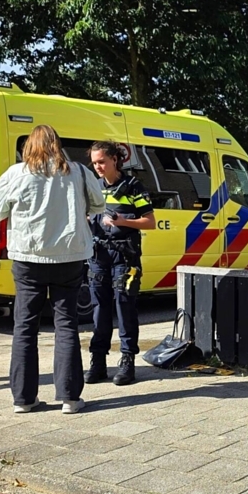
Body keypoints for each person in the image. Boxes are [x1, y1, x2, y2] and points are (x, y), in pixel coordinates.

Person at [0, 125, 105, 414]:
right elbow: (99, 203)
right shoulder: (77, 171)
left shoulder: (16, 173)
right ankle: (70, 398)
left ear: (29, 146)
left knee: (25, 327)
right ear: (58, 145)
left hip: (28, 258)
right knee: (67, 325)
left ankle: (24, 399)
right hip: (69, 256)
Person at [84, 141, 156, 386]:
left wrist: (124, 221)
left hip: (124, 254)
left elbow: (150, 221)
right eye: (94, 163)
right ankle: (98, 361)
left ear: (115, 159)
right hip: (98, 255)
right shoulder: (93, 187)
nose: (98, 167)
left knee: (124, 307)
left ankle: (127, 361)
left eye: (102, 161)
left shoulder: (133, 186)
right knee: (99, 310)